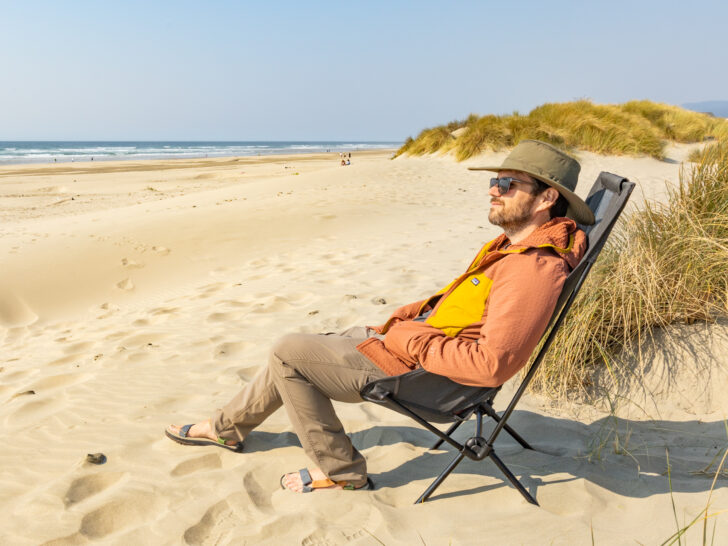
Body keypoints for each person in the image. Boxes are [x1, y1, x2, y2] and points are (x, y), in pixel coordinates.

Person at [165, 140, 595, 494]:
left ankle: (339, 470)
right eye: (493, 181)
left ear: (547, 198)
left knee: (287, 352)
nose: (492, 190)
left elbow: (493, 364)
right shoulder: (512, 247)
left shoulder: (532, 267)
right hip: (418, 350)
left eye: (507, 183)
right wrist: (405, 323)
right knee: (308, 345)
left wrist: (409, 339)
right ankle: (227, 428)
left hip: (429, 380)